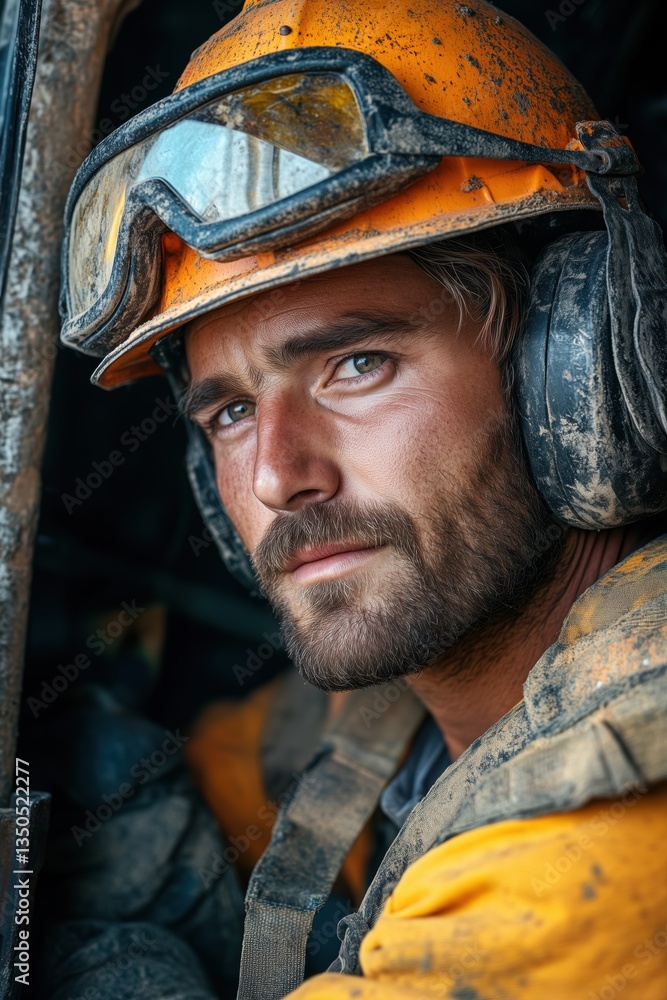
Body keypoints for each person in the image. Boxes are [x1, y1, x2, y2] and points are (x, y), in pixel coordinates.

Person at [53, 0, 667, 997]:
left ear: (577, 364)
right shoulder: (401, 700)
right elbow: (240, 768)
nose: (275, 476)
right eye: (231, 411)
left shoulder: (613, 842)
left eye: (357, 363)